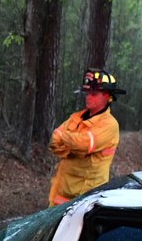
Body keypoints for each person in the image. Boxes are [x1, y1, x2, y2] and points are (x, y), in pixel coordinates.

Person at [48, 69, 121, 205]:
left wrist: (66, 139)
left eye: (94, 94)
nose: (88, 97)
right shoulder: (76, 117)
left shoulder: (109, 125)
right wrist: (71, 146)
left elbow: (82, 144)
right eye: (87, 93)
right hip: (60, 195)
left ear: (107, 96)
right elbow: (54, 141)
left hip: (85, 201)